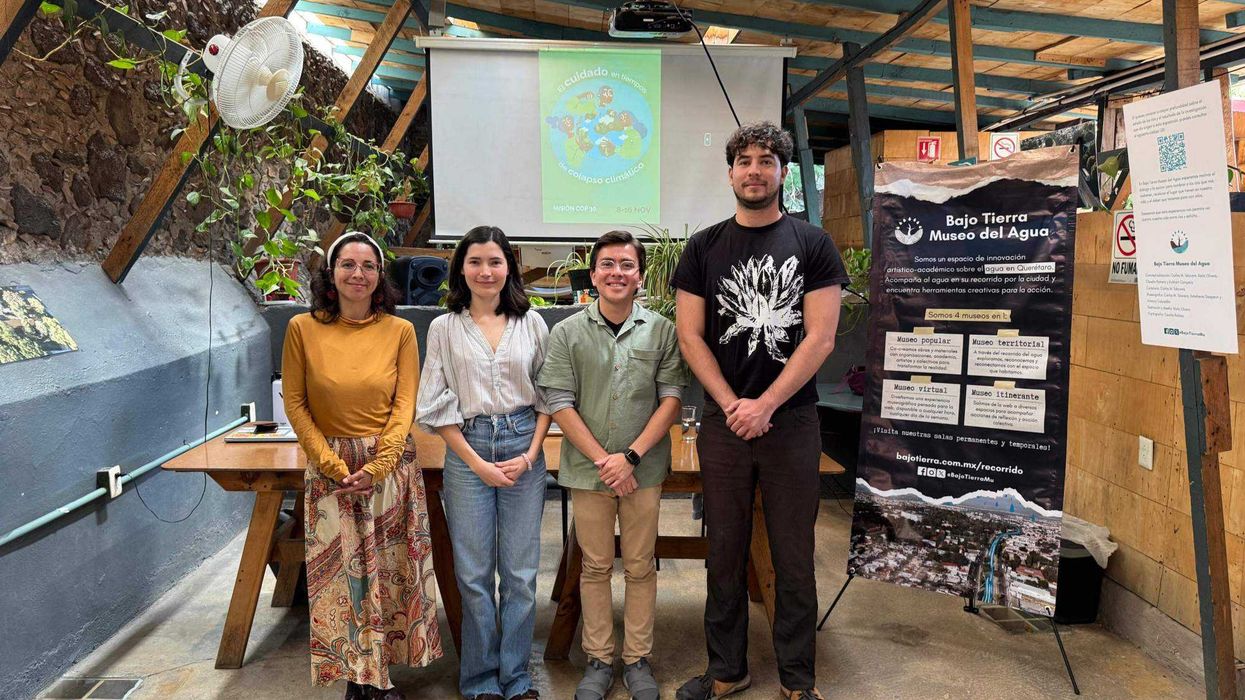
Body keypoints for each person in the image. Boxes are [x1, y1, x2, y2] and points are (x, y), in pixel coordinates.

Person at [671, 122, 849, 700]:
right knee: (722, 551)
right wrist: (730, 404)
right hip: (724, 422)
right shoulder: (703, 246)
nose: (754, 170)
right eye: (743, 161)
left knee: (794, 556)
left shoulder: (813, 243)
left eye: (766, 161)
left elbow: (820, 338)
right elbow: (691, 336)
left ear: (783, 172)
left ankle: (799, 681)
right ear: (730, 173)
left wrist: (766, 404)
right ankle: (727, 669)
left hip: (792, 421)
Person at [282, 231, 442, 700]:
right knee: (339, 579)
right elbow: (295, 404)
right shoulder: (302, 329)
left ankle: (383, 673)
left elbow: (404, 404)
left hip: (387, 470)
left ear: (379, 276)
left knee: (392, 570)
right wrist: (333, 466)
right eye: (348, 264)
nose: (358, 273)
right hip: (330, 470)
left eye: (368, 266)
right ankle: (357, 676)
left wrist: (378, 465)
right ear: (330, 274)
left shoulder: (400, 331)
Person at [537, 231, 686, 700]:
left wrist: (632, 457)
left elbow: (672, 398)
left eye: (626, 264)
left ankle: (637, 658)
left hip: (643, 470)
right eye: (607, 264)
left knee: (641, 565)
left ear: (640, 275)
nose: (616, 272)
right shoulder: (567, 332)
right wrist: (606, 460)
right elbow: (559, 401)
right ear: (594, 274)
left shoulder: (661, 330)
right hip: (589, 471)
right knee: (596, 566)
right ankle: (599, 659)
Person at [416, 226, 551, 700]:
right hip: (467, 447)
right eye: (475, 262)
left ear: (508, 266)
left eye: (495, 261)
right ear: (461, 269)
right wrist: (476, 463)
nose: (486, 271)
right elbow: (432, 403)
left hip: (522, 446)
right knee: (473, 575)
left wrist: (532, 455)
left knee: (520, 574)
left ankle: (516, 678)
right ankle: (479, 681)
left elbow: (549, 396)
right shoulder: (444, 328)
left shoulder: (532, 322)